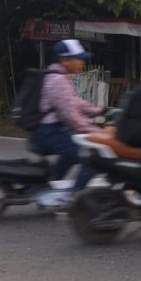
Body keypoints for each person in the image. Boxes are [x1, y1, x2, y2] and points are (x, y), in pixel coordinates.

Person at [29, 39, 103, 193]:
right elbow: (71, 116)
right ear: (64, 60)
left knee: (70, 155)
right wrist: (96, 132)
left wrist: (96, 110)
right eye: (79, 58)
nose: (82, 62)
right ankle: (75, 197)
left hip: (51, 129)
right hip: (50, 131)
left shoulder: (58, 76)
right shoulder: (58, 80)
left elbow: (71, 101)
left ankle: (50, 187)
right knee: (90, 158)